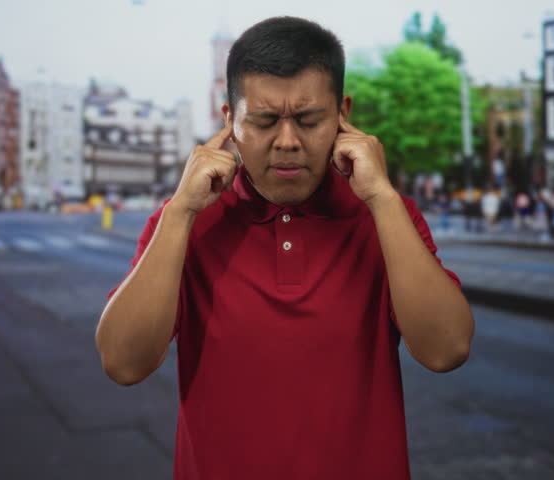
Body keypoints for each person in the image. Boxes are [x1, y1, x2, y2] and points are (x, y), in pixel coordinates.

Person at [95, 17, 474, 479]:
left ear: (343, 114)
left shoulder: (386, 215)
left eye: (310, 120)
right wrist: (179, 212)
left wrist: (382, 198)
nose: (288, 142)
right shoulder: (185, 222)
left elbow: (447, 350)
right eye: (264, 121)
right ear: (230, 121)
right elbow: (122, 362)